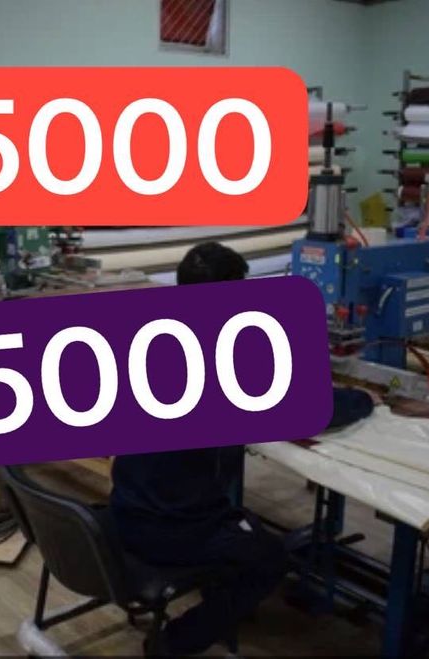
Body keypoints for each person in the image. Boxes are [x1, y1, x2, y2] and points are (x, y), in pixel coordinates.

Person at [110, 241, 287, 656]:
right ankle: (174, 642)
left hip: (124, 511)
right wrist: (366, 401)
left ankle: (219, 592)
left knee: (238, 522)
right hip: (171, 530)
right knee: (271, 558)